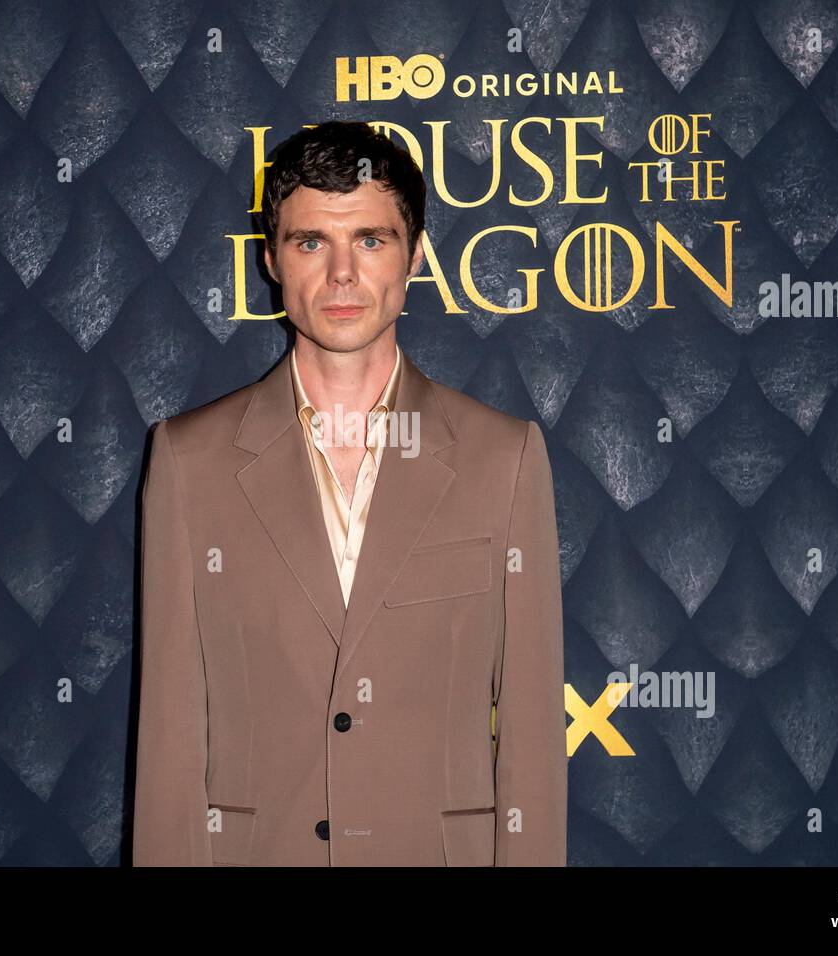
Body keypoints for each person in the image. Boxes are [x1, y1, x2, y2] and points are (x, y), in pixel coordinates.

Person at [132, 120, 566, 866]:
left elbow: (531, 741)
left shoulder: (505, 459)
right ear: (271, 260)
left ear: (415, 255)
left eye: (370, 240)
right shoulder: (187, 461)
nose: (341, 275)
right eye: (310, 243)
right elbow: (172, 741)